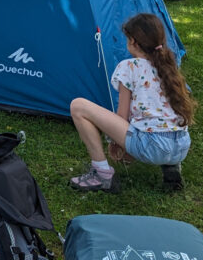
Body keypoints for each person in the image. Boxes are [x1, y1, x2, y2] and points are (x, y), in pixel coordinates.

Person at [67, 12, 195, 193]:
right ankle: (171, 166)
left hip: (152, 147)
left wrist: (116, 141)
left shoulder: (129, 67)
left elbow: (122, 116)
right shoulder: (168, 65)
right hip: (181, 146)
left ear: (133, 41)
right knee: (162, 119)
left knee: (78, 105)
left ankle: (102, 174)